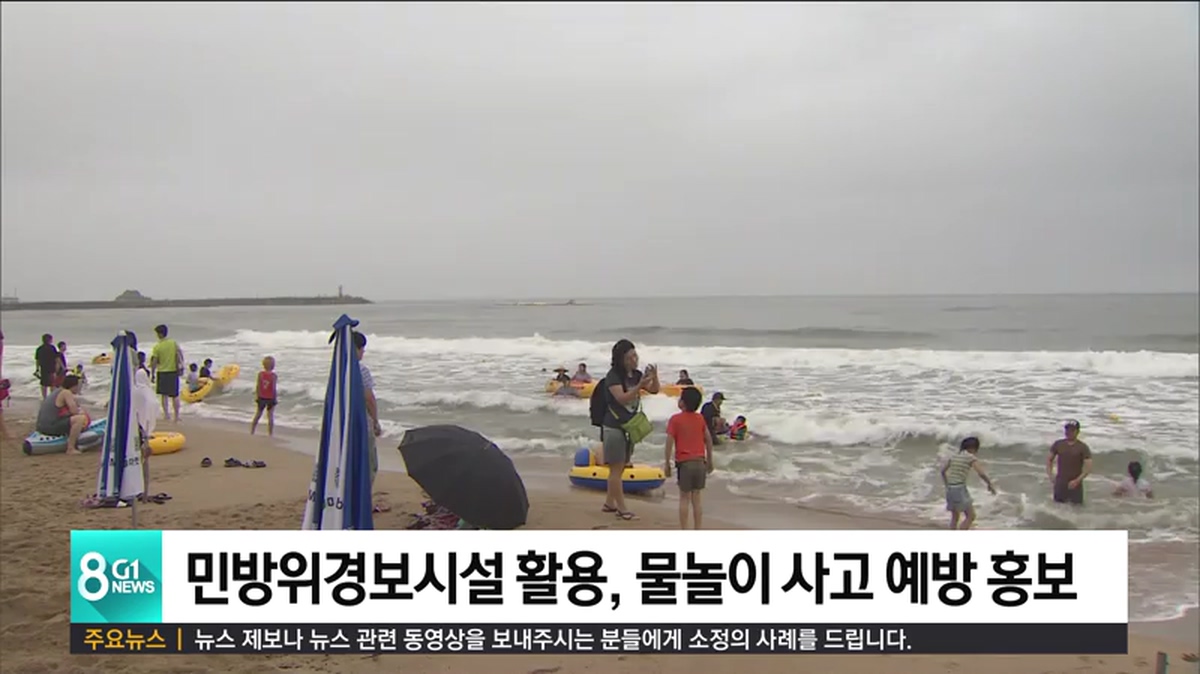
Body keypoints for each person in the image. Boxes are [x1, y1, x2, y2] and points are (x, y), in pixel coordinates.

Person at [600, 339, 659, 521]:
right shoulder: (613, 376)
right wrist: (639, 386)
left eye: (635, 355)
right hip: (613, 426)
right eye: (630, 357)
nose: (634, 359)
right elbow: (622, 398)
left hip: (629, 426)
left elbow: (654, 390)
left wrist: (654, 377)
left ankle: (609, 503)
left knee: (620, 468)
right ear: (621, 359)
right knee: (616, 470)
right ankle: (622, 509)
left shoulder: (636, 375)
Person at [664, 386, 714, 529]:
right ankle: (697, 529)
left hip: (685, 463)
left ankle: (684, 529)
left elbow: (669, 442)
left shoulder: (675, 419)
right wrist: (710, 460)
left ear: (683, 403)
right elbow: (708, 440)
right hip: (700, 462)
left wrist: (667, 463)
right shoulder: (700, 418)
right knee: (696, 498)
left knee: (684, 498)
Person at [940, 436, 997, 530]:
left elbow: (943, 471)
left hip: (950, 489)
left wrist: (947, 485)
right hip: (959, 489)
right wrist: (989, 484)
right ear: (973, 448)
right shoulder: (970, 457)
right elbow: (981, 473)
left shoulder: (954, 456)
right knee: (971, 516)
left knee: (955, 517)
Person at [353, 332, 382, 490]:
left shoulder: (338, 370)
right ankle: (363, 496)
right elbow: (368, 398)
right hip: (361, 422)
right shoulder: (361, 370)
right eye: (361, 348)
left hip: (342, 423)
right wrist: (375, 421)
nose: (363, 352)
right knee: (370, 463)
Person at [35, 374, 89, 454]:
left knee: (73, 418)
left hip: (41, 426)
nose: (79, 388)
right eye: (78, 385)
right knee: (79, 419)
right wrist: (81, 411)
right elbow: (74, 411)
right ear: (73, 385)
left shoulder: (57, 391)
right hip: (50, 427)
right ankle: (70, 448)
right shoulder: (66, 393)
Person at [1046, 419, 1092, 506]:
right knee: (1057, 507)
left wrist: (1077, 481)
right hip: (1060, 483)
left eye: (1072, 430)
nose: (1068, 432)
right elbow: (1049, 460)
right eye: (1067, 430)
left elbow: (1088, 468)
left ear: (1077, 432)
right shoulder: (1058, 444)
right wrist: (1050, 475)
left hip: (1075, 484)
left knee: (1077, 509)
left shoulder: (1082, 447)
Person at [149, 324, 184, 423]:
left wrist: (152, 373)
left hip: (162, 372)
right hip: (173, 371)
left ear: (160, 334)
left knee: (164, 395)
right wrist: (181, 367)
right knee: (175, 395)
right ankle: (177, 416)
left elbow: (155, 361)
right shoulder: (173, 343)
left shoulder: (157, 347)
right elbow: (179, 355)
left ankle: (167, 415)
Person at [251, 356, 278, 436]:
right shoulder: (274, 376)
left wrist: (257, 395)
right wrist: (275, 398)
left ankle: (252, 430)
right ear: (273, 365)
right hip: (270, 398)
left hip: (261, 397)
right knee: (270, 416)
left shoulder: (260, 374)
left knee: (258, 414)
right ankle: (270, 433)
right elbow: (273, 388)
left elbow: (258, 386)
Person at [34, 334, 60, 399]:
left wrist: (37, 369)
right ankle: (51, 398)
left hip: (43, 368)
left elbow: (37, 360)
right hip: (51, 368)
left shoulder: (39, 349)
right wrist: (57, 367)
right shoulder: (52, 348)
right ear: (50, 340)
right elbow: (56, 358)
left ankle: (44, 397)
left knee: (43, 384)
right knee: (52, 384)